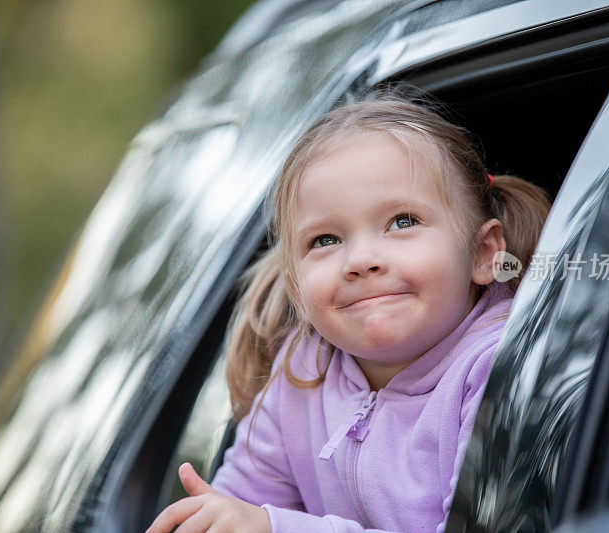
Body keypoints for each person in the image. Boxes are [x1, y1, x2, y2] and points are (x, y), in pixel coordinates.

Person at [147, 89, 552, 533]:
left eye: (402, 221)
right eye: (325, 240)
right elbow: (238, 508)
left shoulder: (503, 367)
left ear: (482, 253)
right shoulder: (302, 373)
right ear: (297, 287)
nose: (361, 260)